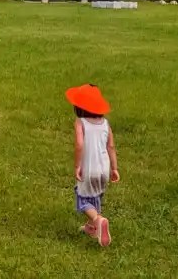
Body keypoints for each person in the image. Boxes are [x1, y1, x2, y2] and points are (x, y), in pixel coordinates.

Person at [65, 83, 119, 247]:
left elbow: (79, 145)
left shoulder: (80, 122)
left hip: (89, 168)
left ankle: (97, 220)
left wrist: (77, 166)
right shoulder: (105, 123)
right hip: (104, 168)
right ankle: (92, 228)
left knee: (83, 199)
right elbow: (111, 146)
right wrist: (114, 168)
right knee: (95, 196)